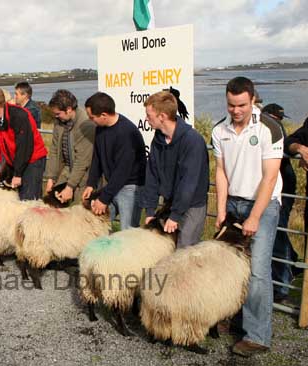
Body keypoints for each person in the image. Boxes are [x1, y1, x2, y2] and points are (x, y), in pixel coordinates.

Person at [212, 77, 282, 357]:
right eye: (231, 105)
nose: (236, 111)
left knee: (257, 272)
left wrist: (254, 216)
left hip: (262, 206)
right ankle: (237, 318)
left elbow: (270, 176)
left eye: (241, 105)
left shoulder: (270, 128)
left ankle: (257, 336)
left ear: (252, 100)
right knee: (230, 266)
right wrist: (220, 210)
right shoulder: (219, 130)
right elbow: (220, 171)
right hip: (233, 204)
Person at [141, 91, 209, 247]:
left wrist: (175, 216)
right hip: (170, 203)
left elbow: (188, 183)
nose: (146, 119)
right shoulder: (158, 140)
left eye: (149, 115)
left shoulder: (192, 141)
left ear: (162, 116)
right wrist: (150, 211)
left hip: (192, 206)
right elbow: (151, 175)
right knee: (167, 248)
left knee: (185, 251)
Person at [81, 92, 146, 230]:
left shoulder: (127, 133)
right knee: (98, 227)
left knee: (127, 232)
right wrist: (91, 184)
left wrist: (104, 198)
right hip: (113, 185)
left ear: (104, 115)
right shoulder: (100, 128)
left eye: (92, 117)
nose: (90, 120)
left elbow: (122, 171)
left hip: (130, 187)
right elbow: (97, 157)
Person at [0, 87, 47, 200]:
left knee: (29, 199)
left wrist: (18, 174)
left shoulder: (19, 116)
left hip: (32, 160)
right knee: (16, 197)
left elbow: (24, 147)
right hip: (14, 161)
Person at [263, 103, 298, 302]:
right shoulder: (276, 128)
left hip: (281, 184)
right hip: (283, 182)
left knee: (279, 233)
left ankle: (283, 282)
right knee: (279, 231)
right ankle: (290, 262)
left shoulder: (272, 129)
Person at [44, 89, 94, 204]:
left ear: (69, 109)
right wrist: (51, 178)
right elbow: (54, 150)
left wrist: (70, 186)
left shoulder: (86, 124)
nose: (56, 117)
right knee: (55, 204)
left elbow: (82, 160)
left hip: (84, 175)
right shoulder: (59, 121)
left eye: (58, 114)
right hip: (67, 169)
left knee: (78, 211)